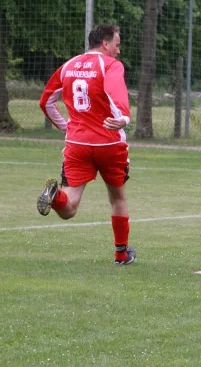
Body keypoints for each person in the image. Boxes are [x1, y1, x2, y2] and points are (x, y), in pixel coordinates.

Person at [37, 24, 135, 266]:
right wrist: (123, 117)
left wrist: (65, 126)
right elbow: (115, 92)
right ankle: (121, 255)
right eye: (117, 45)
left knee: (69, 207)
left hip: (77, 144)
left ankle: (55, 197)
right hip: (109, 143)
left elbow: (46, 101)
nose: (118, 51)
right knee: (117, 198)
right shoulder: (110, 65)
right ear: (105, 43)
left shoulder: (69, 65)